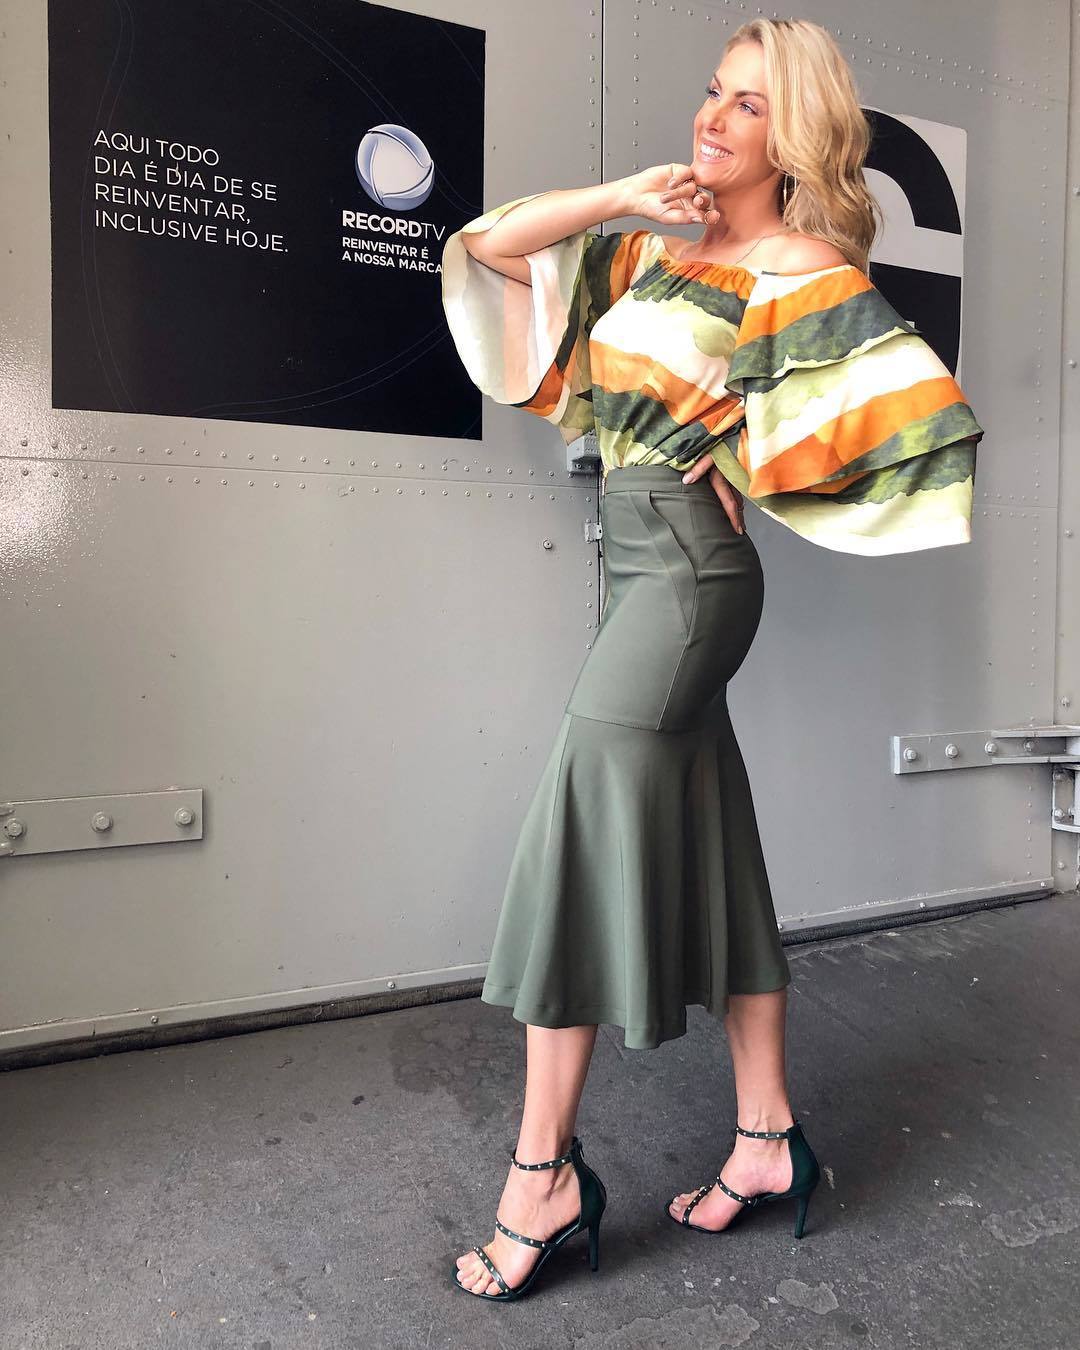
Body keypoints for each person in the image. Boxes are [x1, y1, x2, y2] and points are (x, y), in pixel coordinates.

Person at [440, 18, 983, 1302]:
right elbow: (488, 247)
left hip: (689, 578)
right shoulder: (653, 253)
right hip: (636, 567)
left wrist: (751, 456)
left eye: (750, 105)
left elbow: (926, 420)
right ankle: (766, 1137)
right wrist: (627, 195)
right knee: (715, 846)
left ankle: (542, 1178)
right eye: (713, 94)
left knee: (578, 833)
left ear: (796, 136)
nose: (715, 118)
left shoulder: (798, 267)